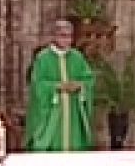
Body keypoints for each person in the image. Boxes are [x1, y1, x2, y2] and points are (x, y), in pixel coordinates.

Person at [25, 20, 94, 152]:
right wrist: (57, 87)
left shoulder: (77, 57)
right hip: (52, 114)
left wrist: (80, 86)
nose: (67, 40)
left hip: (73, 111)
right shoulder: (43, 58)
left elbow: (89, 79)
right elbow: (37, 84)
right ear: (54, 36)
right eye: (63, 35)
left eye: (69, 36)